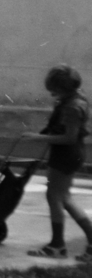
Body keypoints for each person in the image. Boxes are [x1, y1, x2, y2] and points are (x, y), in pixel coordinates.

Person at [24, 65, 92, 260]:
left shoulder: (72, 106)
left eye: (55, 89)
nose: (52, 93)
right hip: (71, 154)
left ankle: (57, 245)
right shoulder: (76, 99)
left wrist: (36, 138)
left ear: (63, 88)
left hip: (66, 154)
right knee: (64, 198)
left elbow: (69, 137)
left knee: (55, 197)